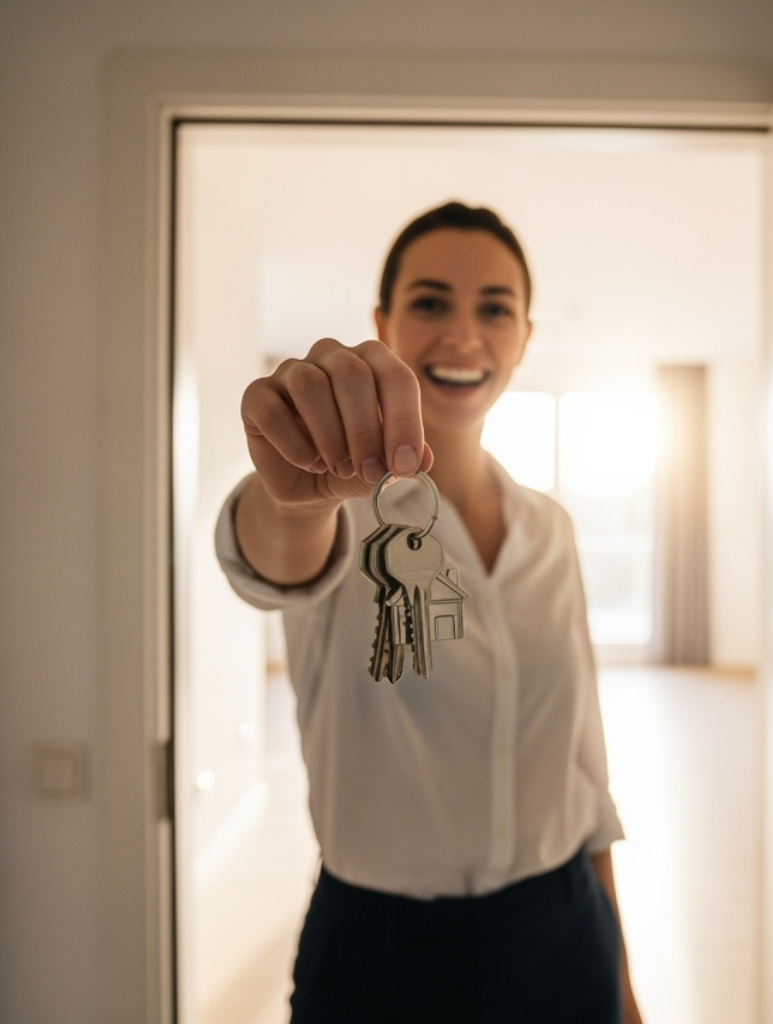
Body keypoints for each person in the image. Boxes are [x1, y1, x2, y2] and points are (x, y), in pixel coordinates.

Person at [215, 201, 643, 1024]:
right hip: (382, 957)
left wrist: (620, 981)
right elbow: (274, 556)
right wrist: (295, 503)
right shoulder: (338, 505)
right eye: (431, 302)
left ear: (524, 336)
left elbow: (586, 774)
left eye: (494, 309)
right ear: (383, 322)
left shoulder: (551, 529)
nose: (463, 334)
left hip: (565, 933)